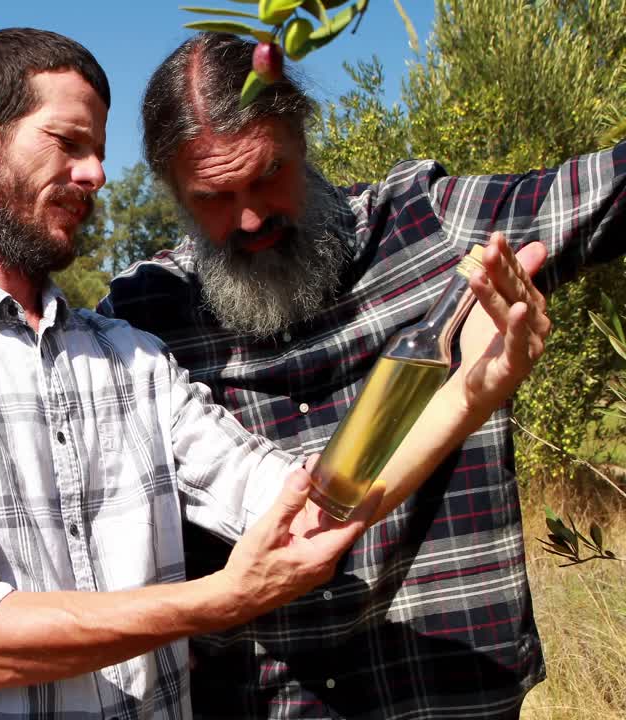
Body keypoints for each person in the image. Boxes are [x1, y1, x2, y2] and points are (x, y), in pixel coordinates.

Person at [0, 28, 547, 719]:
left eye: (98, 152)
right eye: (69, 143)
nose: (96, 174)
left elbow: (313, 508)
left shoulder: (132, 357)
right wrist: (220, 600)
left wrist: (474, 390)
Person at [99, 31, 623, 720]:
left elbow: (604, 193)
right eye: (214, 197)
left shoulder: (426, 223)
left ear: (303, 134)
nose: (250, 216)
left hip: (453, 692)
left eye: (267, 175)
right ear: (171, 190)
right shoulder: (146, 317)